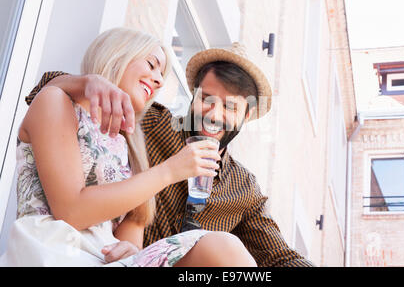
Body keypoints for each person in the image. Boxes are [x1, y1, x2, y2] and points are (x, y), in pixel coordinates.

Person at [23, 41, 314, 267]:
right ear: (194, 96)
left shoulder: (244, 188)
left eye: (230, 108)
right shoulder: (152, 124)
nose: (215, 114)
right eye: (207, 99)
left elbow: (279, 257)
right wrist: (87, 82)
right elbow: (45, 89)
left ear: (246, 116)